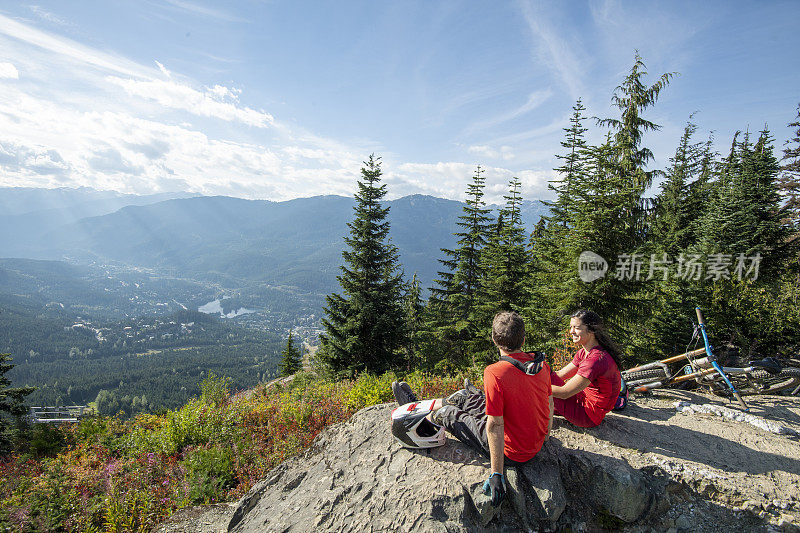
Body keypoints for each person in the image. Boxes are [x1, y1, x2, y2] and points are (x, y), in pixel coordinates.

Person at [392, 311, 553, 508]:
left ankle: (416, 414)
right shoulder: (539, 365)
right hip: (531, 443)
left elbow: (494, 425)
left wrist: (496, 473)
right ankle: (423, 405)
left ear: (494, 339)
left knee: (449, 414)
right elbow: (549, 404)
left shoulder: (495, 372)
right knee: (467, 397)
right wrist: (544, 436)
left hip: (512, 452)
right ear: (524, 339)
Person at [550, 309, 623, 428]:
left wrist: (534, 385)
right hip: (585, 403)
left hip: (588, 415)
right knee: (545, 376)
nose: (571, 331)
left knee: (541, 389)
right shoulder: (584, 352)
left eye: (576, 328)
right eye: (571, 327)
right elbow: (560, 374)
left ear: (591, 330)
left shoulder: (595, 360)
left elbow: (565, 393)